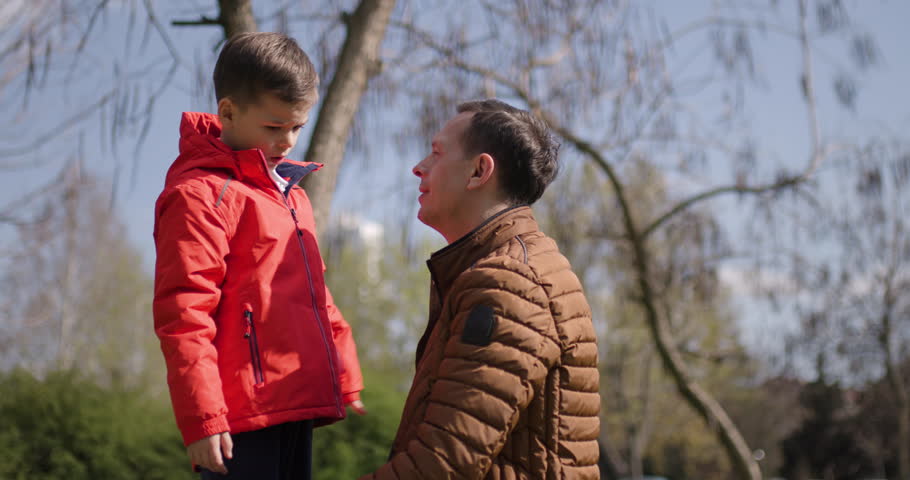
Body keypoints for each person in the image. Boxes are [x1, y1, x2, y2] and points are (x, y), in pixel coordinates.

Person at [153, 32, 364, 479]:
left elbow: (314, 294)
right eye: (274, 127)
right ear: (228, 112)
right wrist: (202, 417)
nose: (288, 141)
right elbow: (185, 313)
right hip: (239, 418)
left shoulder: (290, 196)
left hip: (295, 401)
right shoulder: (200, 195)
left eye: (297, 127)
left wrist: (343, 368)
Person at [362, 100, 601, 479]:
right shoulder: (507, 269)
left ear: (479, 171)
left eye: (437, 153)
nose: (419, 166)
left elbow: (443, 463)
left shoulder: (510, 284)